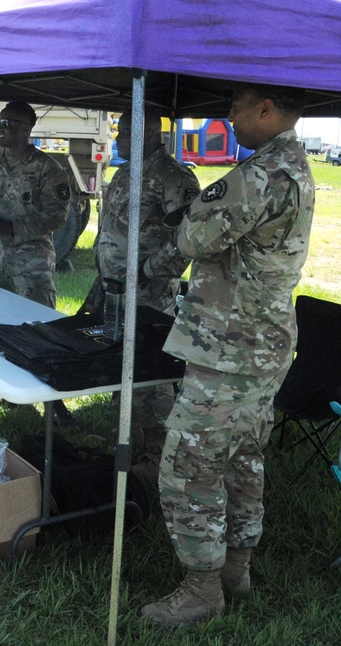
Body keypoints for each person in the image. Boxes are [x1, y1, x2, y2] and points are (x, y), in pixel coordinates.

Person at [140, 84, 315, 627]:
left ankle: (201, 591)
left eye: (237, 107)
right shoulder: (293, 168)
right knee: (243, 459)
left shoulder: (260, 174)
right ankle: (235, 570)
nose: (229, 117)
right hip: (259, 343)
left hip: (230, 348)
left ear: (266, 109)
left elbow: (193, 238)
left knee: (187, 467)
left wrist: (195, 212)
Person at [90, 107, 201, 482]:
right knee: (123, 365)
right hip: (116, 291)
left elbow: (188, 238)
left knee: (151, 373)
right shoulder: (126, 171)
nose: (118, 138)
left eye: (124, 132)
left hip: (150, 295)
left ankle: (159, 455)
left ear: (150, 134)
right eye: (119, 132)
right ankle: (128, 437)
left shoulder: (173, 177)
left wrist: (149, 270)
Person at [0, 101, 72, 309]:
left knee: (36, 328)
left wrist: (13, 228)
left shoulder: (47, 168)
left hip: (31, 268)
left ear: (25, 128)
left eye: (5, 123)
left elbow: (58, 214)